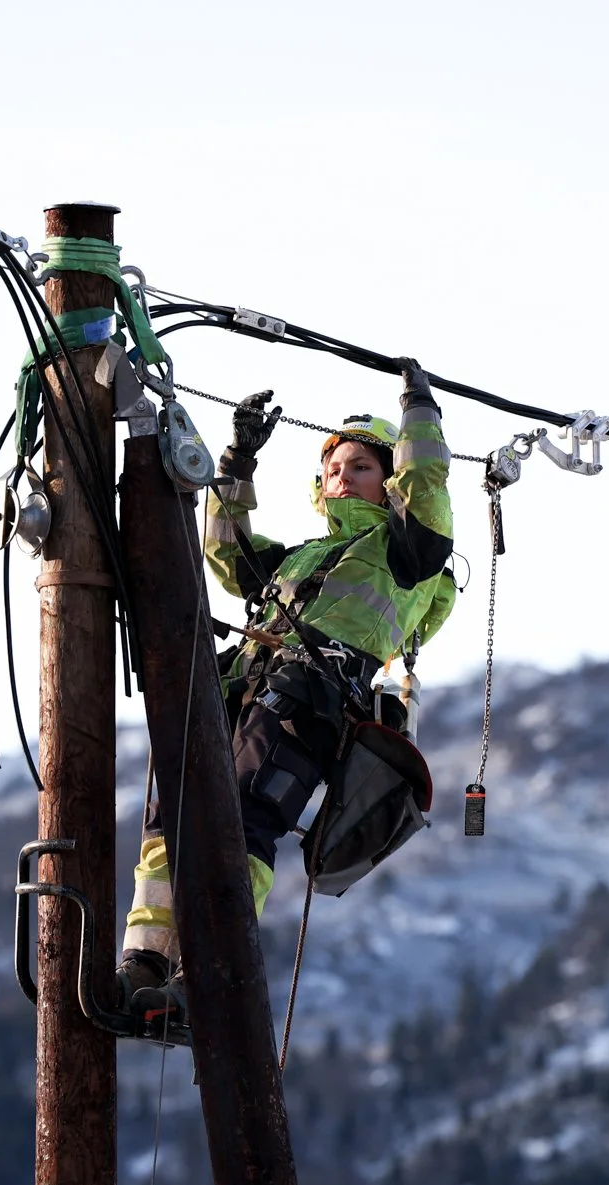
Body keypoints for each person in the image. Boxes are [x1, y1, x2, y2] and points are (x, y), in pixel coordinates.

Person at [117, 359, 459, 1017]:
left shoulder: (404, 556)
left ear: (391, 482)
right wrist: (236, 460)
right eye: (333, 467)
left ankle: (208, 970)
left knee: (244, 818)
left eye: (360, 465)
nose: (342, 475)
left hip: (307, 705)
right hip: (239, 691)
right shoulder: (301, 559)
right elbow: (226, 549)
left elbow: (430, 490)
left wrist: (421, 410)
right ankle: (144, 962)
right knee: (172, 817)